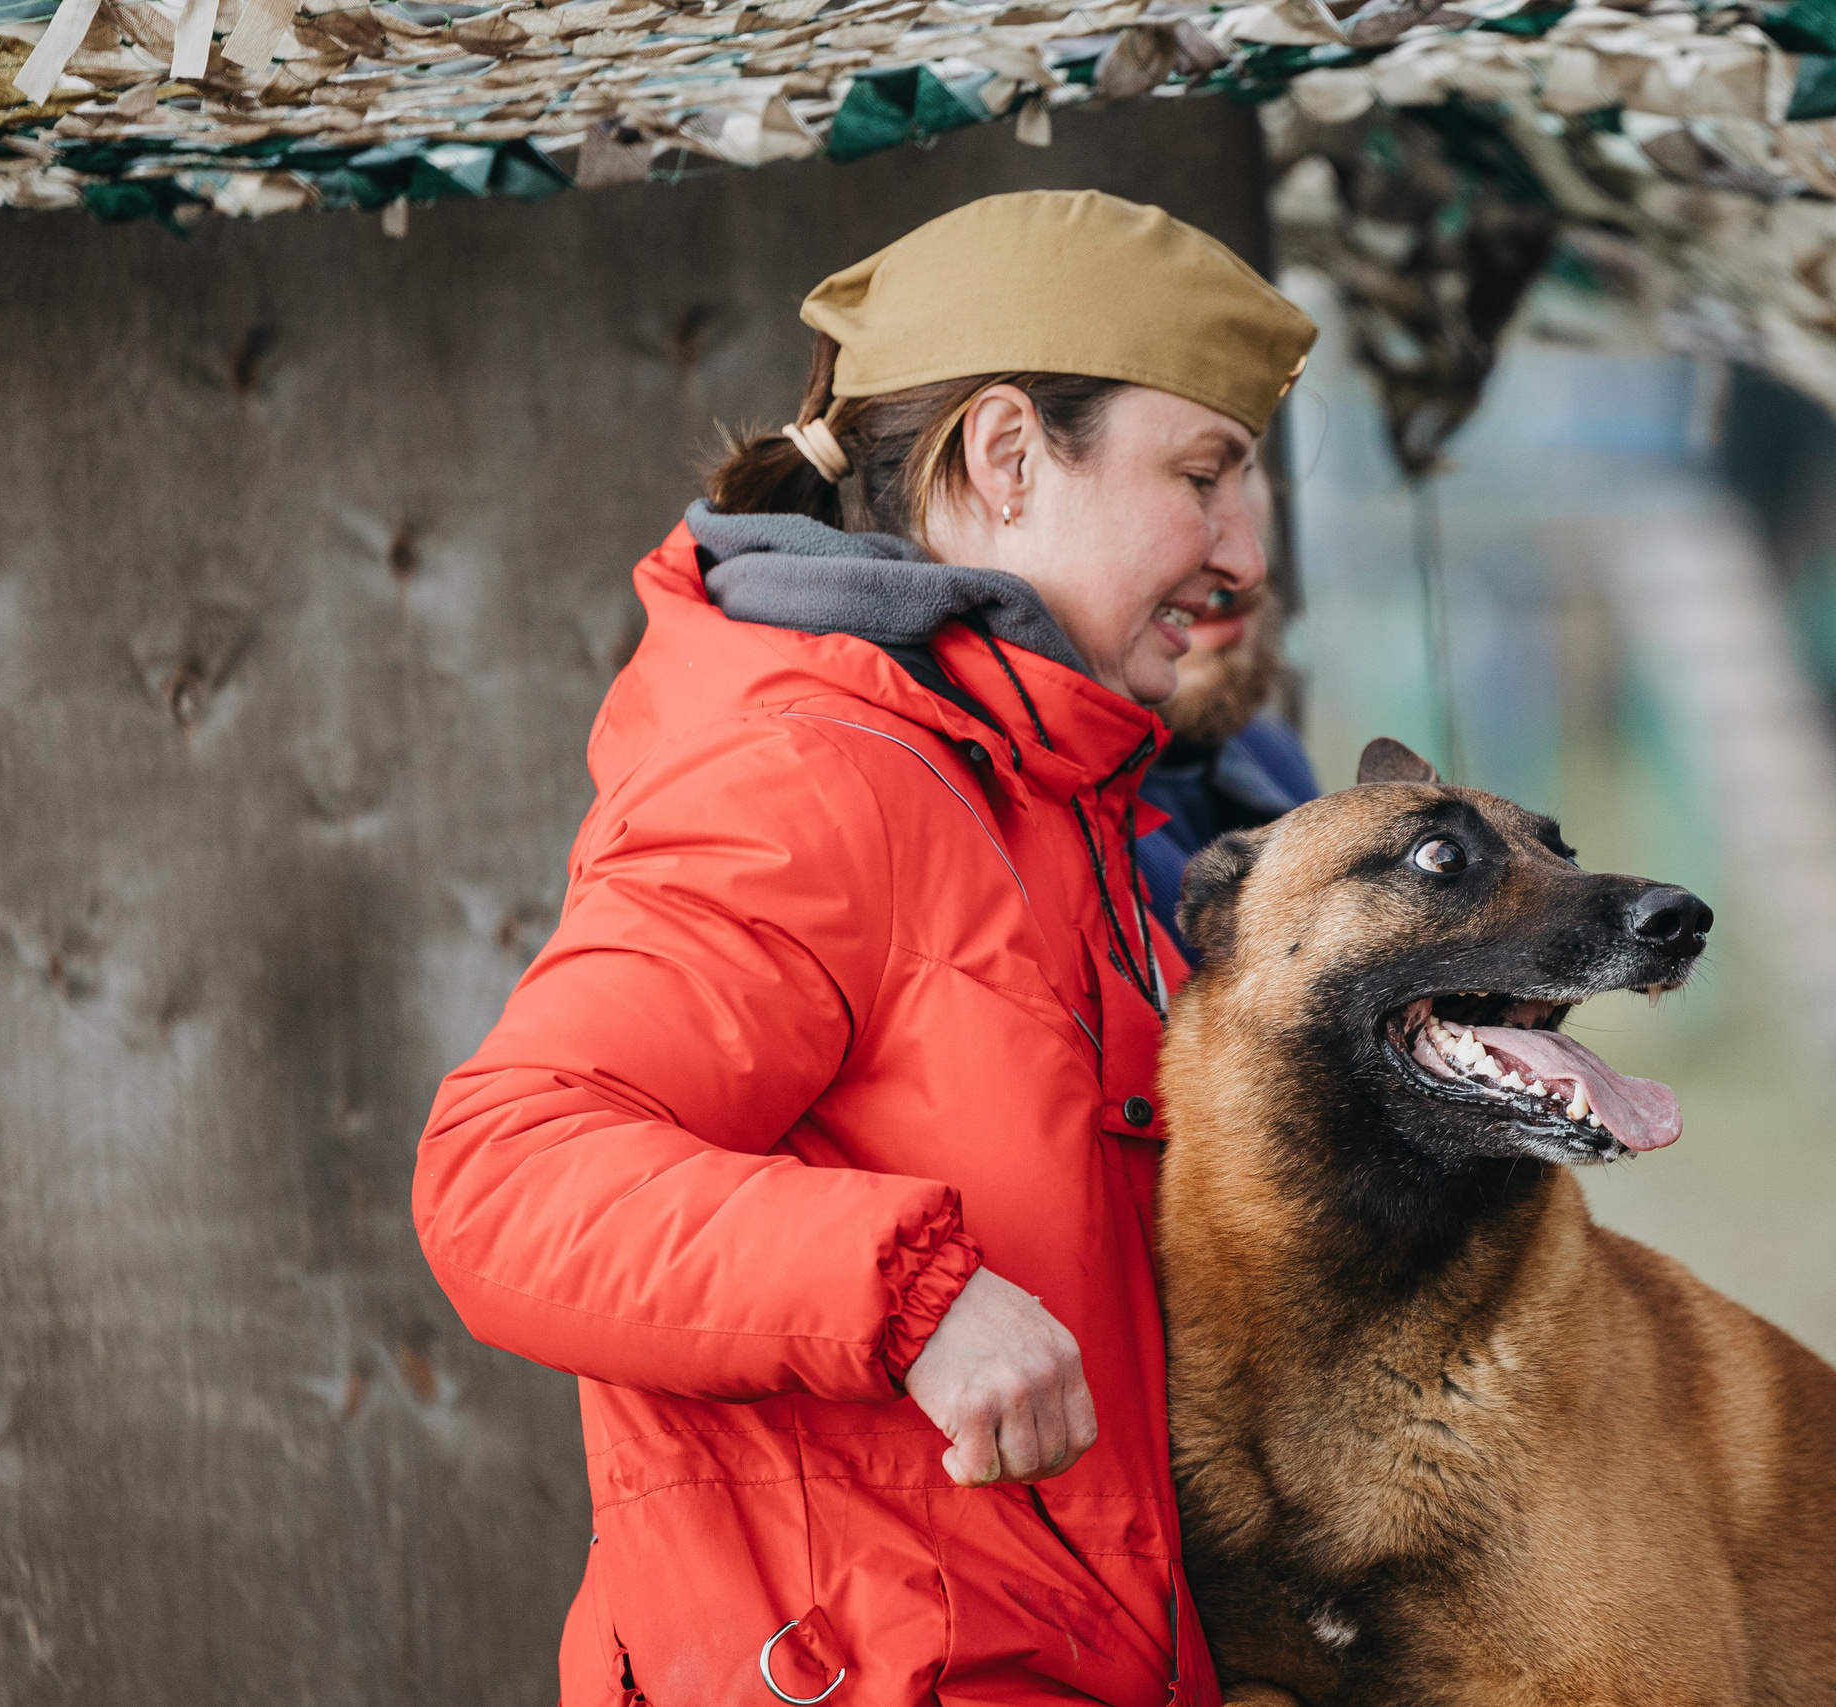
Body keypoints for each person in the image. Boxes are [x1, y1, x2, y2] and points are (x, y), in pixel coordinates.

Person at [411, 190, 1314, 1707]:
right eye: (1204, 472)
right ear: (1008, 456)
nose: (1237, 545)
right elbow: (502, 1173)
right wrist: (915, 1297)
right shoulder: (815, 775)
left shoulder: (1042, 787)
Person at [1136, 579, 1318, 961]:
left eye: (1249, 516)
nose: (1248, 566)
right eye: (1195, 514)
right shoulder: (1016, 822)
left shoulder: (1273, 753)